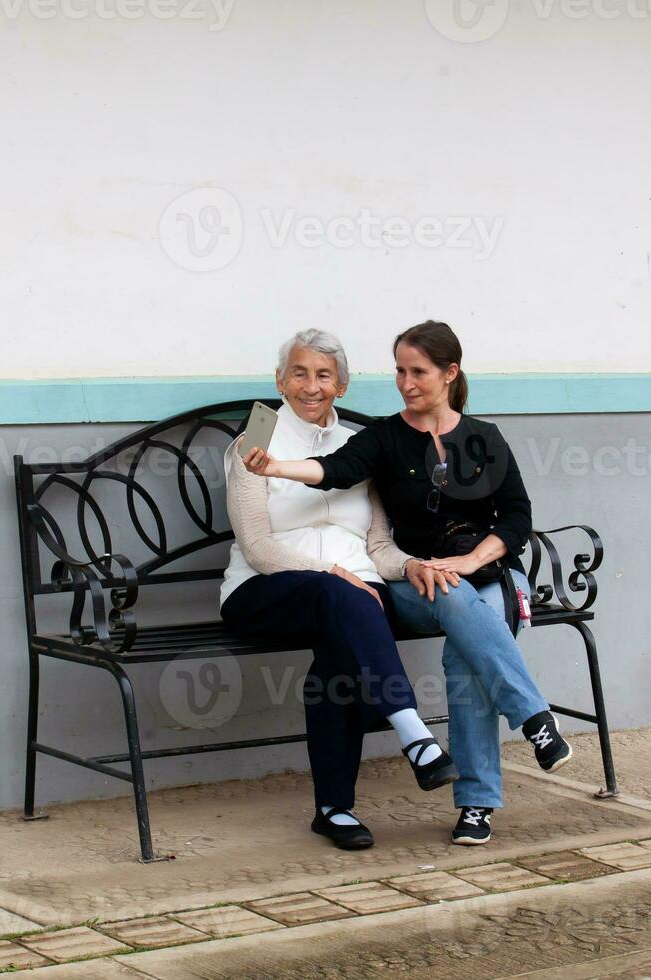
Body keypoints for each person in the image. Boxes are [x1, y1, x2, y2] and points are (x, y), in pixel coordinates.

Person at [244, 320, 572, 847]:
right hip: (413, 583)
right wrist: (276, 466)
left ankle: (475, 807)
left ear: (449, 374)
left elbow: (515, 517)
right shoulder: (383, 438)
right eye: (400, 370)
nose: (406, 382)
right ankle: (533, 718)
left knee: (466, 645)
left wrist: (468, 562)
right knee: (451, 598)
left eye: (418, 371)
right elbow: (334, 469)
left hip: (481, 576)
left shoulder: (484, 438)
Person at [220, 329, 461, 850]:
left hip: (355, 598)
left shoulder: (360, 446)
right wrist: (331, 574)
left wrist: (415, 564)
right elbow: (258, 548)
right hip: (265, 591)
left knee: (340, 644)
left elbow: (377, 545)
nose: (312, 386)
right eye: (300, 373)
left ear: (343, 386)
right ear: (280, 381)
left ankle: (334, 809)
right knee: (343, 600)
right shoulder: (253, 445)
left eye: (324, 375)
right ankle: (413, 732)